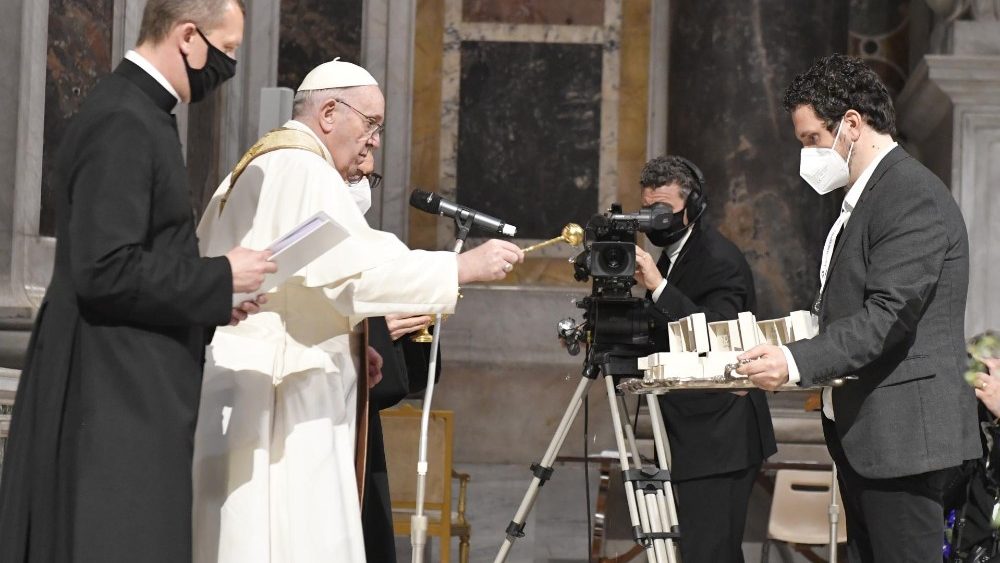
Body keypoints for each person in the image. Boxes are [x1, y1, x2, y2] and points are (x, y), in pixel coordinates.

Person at [191, 59, 523, 563]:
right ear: (328, 112)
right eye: (371, 124)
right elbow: (358, 271)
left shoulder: (258, 166)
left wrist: (347, 342)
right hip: (283, 398)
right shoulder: (303, 168)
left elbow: (304, 283)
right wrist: (460, 269)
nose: (374, 141)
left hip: (256, 383)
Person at [0, 1, 278, 561]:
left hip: (127, 381)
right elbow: (105, 269)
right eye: (226, 52)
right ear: (187, 38)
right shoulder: (124, 121)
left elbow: (135, 257)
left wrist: (209, 301)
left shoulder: (139, 113)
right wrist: (220, 274)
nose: (228, 69)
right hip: (115, 396)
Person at [737, 54, 981, 562]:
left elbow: (888, 315)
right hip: (868, 433)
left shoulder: (909, 193)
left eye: (811, 140)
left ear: (851, 123)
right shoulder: (866, 196)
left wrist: (796, 362)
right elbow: (843, 307)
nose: (806, 155)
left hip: (904, 439)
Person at [632, 155, 776, 563]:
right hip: (691, 435)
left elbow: (720, 336)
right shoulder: (675, 254)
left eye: (663, 210)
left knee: (710, 555)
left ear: (691, 207)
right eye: (647, 209)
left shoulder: (718, 258)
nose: (654, 220)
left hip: (720, 438)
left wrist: (658, 287)